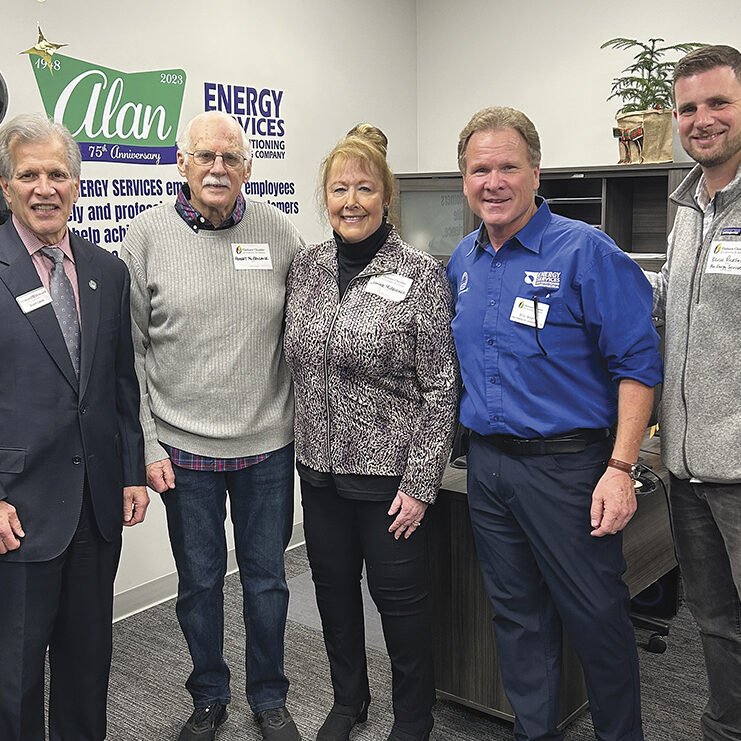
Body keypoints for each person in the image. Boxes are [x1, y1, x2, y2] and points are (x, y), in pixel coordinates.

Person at [446, 106, 663, 741]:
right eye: (479, 169)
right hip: (487, 467)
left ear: (535, 173)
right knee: (516, 617)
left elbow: (638, 364)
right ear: (465, 179)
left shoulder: (586, 252)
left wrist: (621, 467)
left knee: (596, 619)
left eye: (507, 167)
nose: (493, 181)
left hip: (569, 470)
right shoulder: (464, 262)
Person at [120, 110, 303, 741]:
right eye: (204, 157)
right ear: (182, 165)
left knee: (267, 580)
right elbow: (132, 356)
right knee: (198, 583)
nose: (217, 168)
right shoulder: (143, 238)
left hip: (268, 446)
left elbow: (303, 331)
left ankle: (269, 698)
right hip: (182, 449)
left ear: (248, 168)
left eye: (229, 158)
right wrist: (146, 445)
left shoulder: (279, 232)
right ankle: (208, 697)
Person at [283, 125, 459, 741]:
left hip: (391, 480)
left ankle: (414, 717)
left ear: (387, 197)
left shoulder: (420, 274)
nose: (350, 201)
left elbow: (441, 387)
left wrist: (421, 482)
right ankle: (348, 701)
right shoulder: (305, 269)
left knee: (401, 606)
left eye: (364, 188)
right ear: (324, 197)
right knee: (332, 593)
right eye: (339, 189)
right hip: (321, 472)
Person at [0, 113, 148, 741]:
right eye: (28, 174)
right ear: (6, 186)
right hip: (21, 509)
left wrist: (132, 471)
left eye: (57, 173)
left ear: (77, 184)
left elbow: (119, 383)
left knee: (89, 669)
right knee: (16, 676)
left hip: (96, 508)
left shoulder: (106, 270)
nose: (44, 187)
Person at [645, 45, 741, 741]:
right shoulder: (687, 206)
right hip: (684, 465)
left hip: (740, 469)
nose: (700, 120)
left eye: (717, 103)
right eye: (687, 108)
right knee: (713, 621)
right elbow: (673, 310)